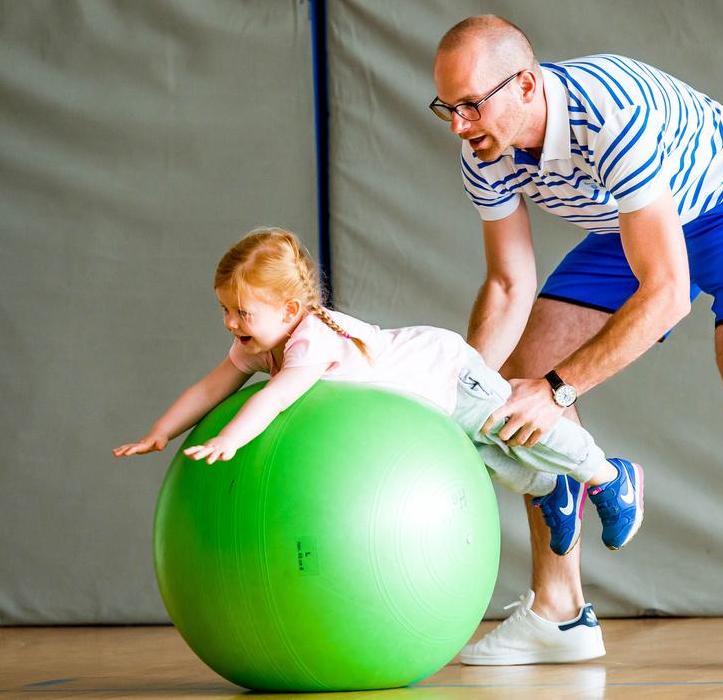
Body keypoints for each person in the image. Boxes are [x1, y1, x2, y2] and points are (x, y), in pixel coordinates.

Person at [430, 15, 723, 670]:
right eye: (446, 109)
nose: (458, 125)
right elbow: (508, 284)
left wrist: (556, 390)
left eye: (469, 107)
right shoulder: (486, 149)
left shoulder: (609, 114)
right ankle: (558, 611)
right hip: (639, 218)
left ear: (524, 85)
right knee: (518, 368)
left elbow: (665, 289)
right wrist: (458, 392)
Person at [112, 227, 644, 562]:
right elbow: (212, 385)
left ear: (290, 309)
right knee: (492, 462)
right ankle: (554, 489)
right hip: (422, 414)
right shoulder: (258, 343)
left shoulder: (308, 342)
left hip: (446, 374)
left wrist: (230, 438)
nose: (231, 323)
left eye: (242, 312)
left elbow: (276, 398)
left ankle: (608, 477)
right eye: (224, 309)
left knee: (514, 429)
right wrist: (161, 432)